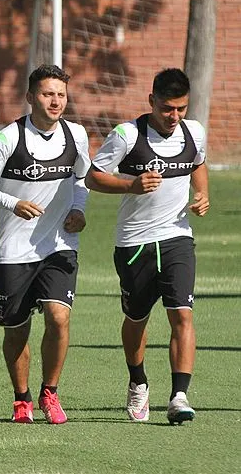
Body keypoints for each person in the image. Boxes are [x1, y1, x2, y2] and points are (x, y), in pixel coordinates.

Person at [0, 64, 90, 425]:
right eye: (48, 94)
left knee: (58, 316)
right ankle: (22, 399)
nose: (56, 101)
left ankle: (50, 393)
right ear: (30, 97)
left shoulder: (77, 135)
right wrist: (11, 203)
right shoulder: (8, 139)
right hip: (14, 249)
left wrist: (79, 210)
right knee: (17, 328)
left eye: (61, 95)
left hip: (59, 244)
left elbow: (83, 176)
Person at [85, 68, 208, 425]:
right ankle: (137, 380)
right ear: (151, 101)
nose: (174, 116)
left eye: (181, 108)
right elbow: (92, 177)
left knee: (182, 315)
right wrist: (130, 186)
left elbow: (198, 163)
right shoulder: (126, 136)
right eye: (167, 108)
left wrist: (202, 195)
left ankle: (179, 396)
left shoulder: (194, 132)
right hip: (134, 243)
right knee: (136, 319)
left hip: (177, 238)